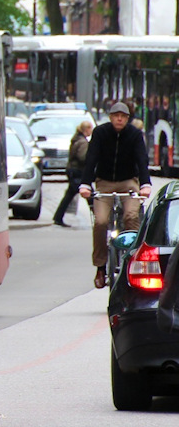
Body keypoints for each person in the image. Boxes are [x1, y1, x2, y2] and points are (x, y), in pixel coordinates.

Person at [80, 102, 152, 288]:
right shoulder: (100, 133)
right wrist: (85, 184)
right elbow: (91, 159)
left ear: (127, 119)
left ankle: (133, 263)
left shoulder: (135, 135)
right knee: (101, 221)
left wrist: (145, 184)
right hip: (104, 182)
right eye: (115, 115)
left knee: (131, 216)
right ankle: (101, 267)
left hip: (128, 181)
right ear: (110, 117)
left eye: (123, 116)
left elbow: (141, 159)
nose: (119, 119)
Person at [53, 120, 93, 227]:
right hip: (78, 172)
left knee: (70, 195)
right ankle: (99, 219)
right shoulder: (83, 142)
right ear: (86, 129)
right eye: (90, 128)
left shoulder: (77, 139)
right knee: (89, 195)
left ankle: (58, 217)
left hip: (73, 171)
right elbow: (83, 157)